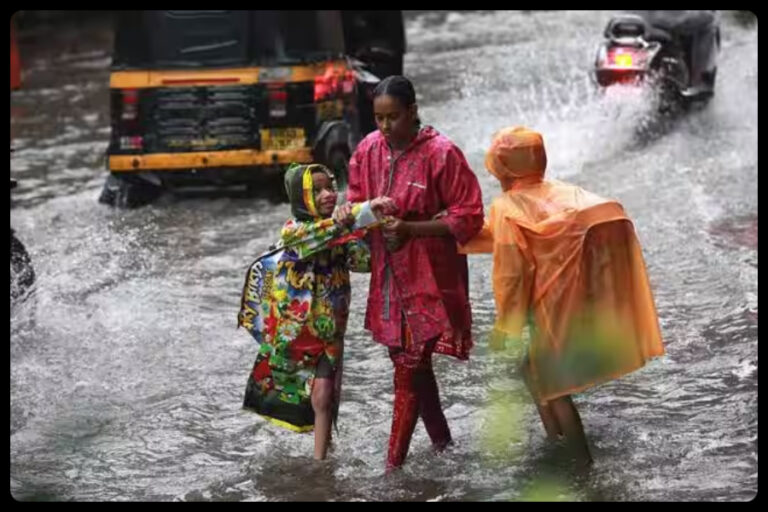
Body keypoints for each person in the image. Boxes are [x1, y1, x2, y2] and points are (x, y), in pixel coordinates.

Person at [460, 126, 665, 465]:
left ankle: (579, 464)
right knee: (533, 368)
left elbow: (512, 272)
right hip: (570, 295)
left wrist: (506, 327)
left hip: (546, 304)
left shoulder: (506, 206)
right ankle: (556, 440)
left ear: (503, 168)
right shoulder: (561, 191)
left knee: (554, 387)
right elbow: (512, 237)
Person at [336, 75, 484, 471]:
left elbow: (469, 216)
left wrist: (412, 229)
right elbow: (353, 203)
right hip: (388, 277)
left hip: (430, 276)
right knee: (411, 367)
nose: (385, 127)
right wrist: (352, 212)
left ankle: (392, 469)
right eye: (379, 118)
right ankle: (444, 446)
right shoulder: (367, 149)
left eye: (394, 117)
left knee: (410, 367)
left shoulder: (442, 153)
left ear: (413, 111)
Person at [238, 163, 396, 460]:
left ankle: (320, 463)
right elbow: (322, 235)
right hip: (295, 332)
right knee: (299, 393)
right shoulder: (294, 232)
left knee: (323, 394)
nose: (328, 195)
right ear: (301, 197)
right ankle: (324, 450)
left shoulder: (339, 229)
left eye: (330, 187)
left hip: (330, 329)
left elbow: (363, 262)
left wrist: (380, 231)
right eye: (318, 190)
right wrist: (361, 214)